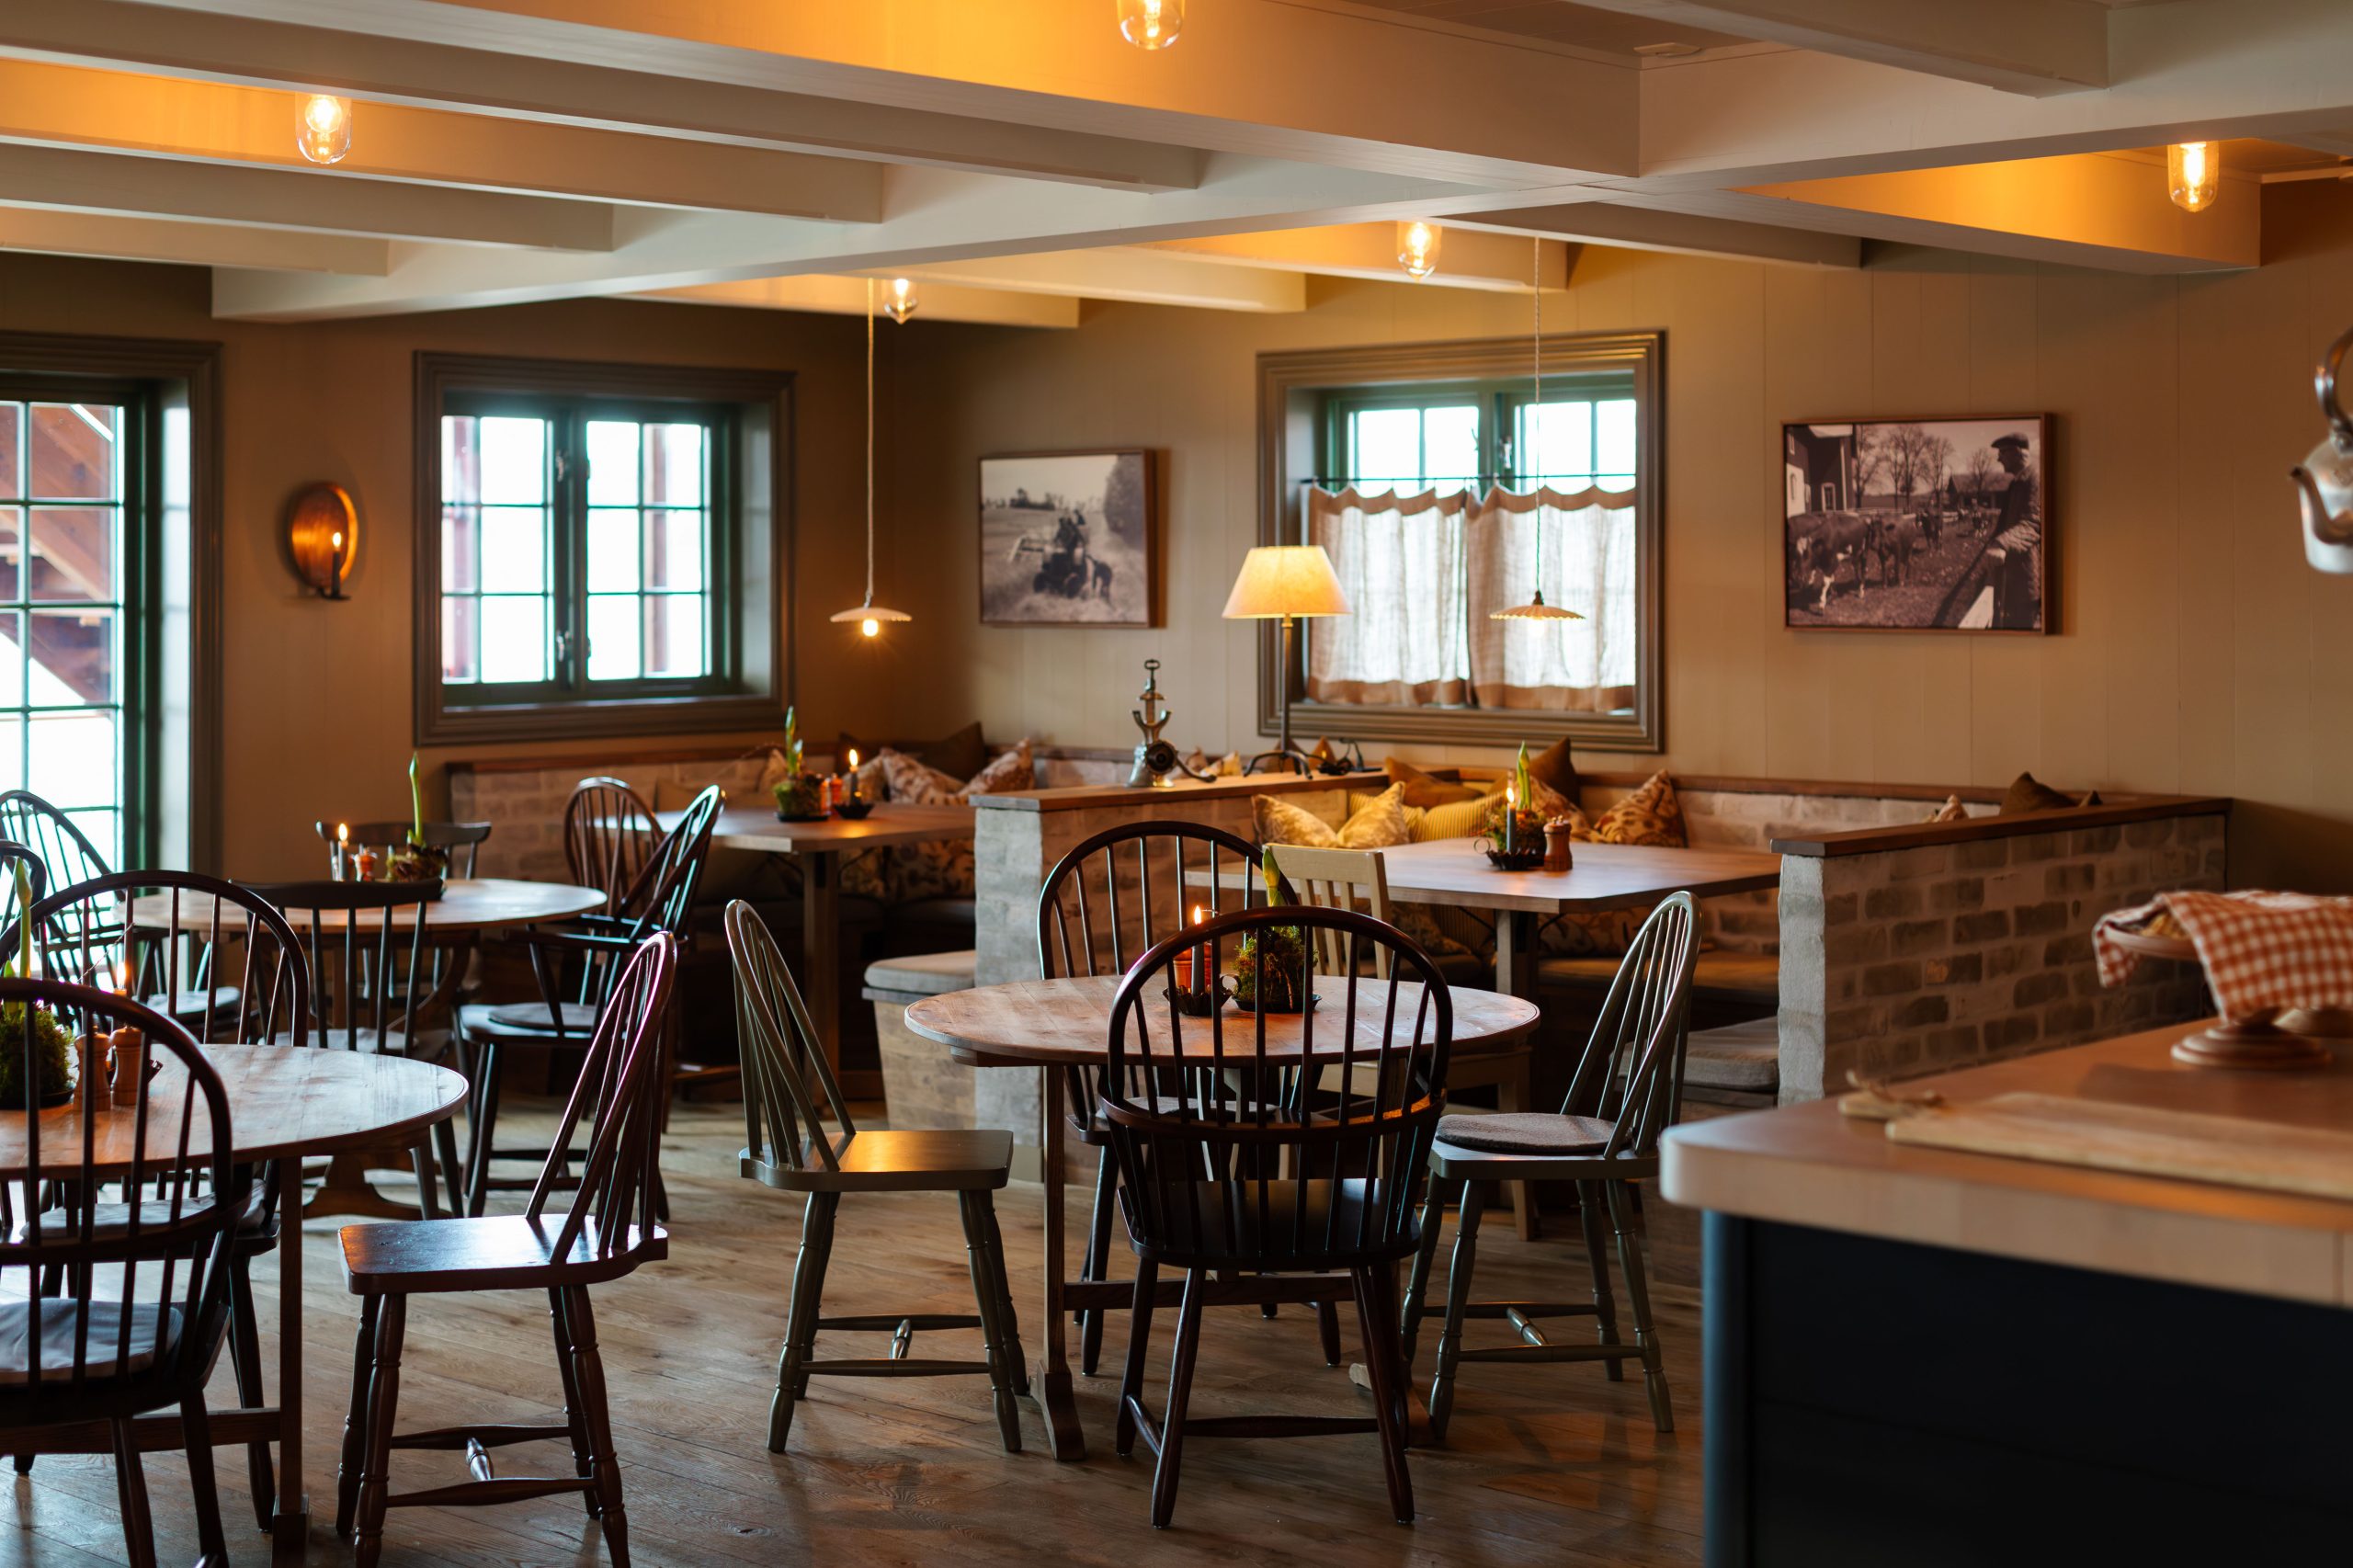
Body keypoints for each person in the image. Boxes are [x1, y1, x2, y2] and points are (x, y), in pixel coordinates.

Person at [1932, 432, 2042, 630]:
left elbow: (2034, 522)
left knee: (2022, 632)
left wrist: (2001, 543)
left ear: (2017, 452)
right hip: (2011, 575)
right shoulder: (2016, 483)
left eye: (2002, 452)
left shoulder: (2035, 479)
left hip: (2025, 575)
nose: (1999, 458)